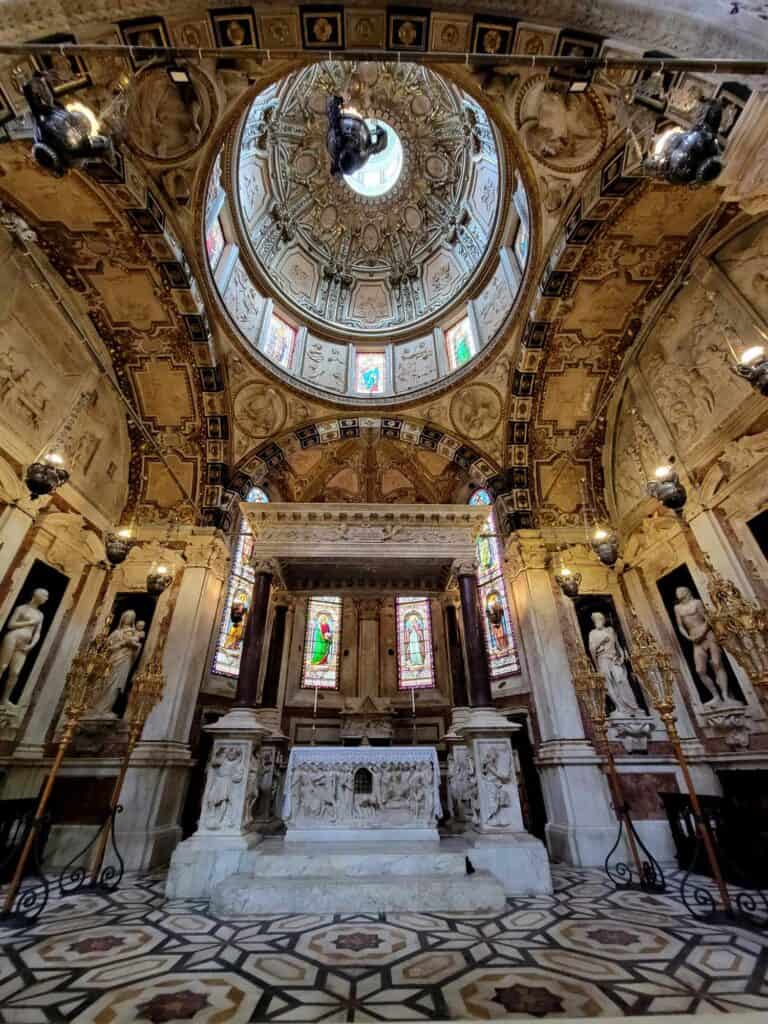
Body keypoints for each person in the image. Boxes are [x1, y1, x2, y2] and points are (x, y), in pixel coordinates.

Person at [673, 586, 729, 703]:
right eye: (677, 591)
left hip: (707, 635)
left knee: (716, 663)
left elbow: (707, 619)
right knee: (700, 670)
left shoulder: (696, 602)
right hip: (695, 639)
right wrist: (689, 637)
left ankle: (726, 695)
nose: (677, 593)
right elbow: (680, 626)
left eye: (680, 591)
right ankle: (716, 696)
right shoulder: (677, 608)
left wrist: (702, 633)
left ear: (687, 592)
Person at [0, 588, 48, 703]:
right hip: (12, 637)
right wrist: (29, 622)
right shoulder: (21, 608)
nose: (46, 599)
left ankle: (5, 699)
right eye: (45, 596)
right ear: (36, 595)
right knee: (2, 666)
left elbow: (37, 633)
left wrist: (31, 645)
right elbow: (10, 624)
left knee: (15, 672)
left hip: (25, 644)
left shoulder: (40, 615)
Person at [587, 611, 639, 716]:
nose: (599, 621)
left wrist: (621, 657)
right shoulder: (592, 633)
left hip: (614, 659)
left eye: (600, 619)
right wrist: (601, 642)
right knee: (608, 683)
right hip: (602, 659)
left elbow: (618, 646)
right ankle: (619, 707)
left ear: (604, 620)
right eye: (596, 619)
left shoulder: (610, 630)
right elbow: (591, 648)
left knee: (622, 680)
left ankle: (632, 706)